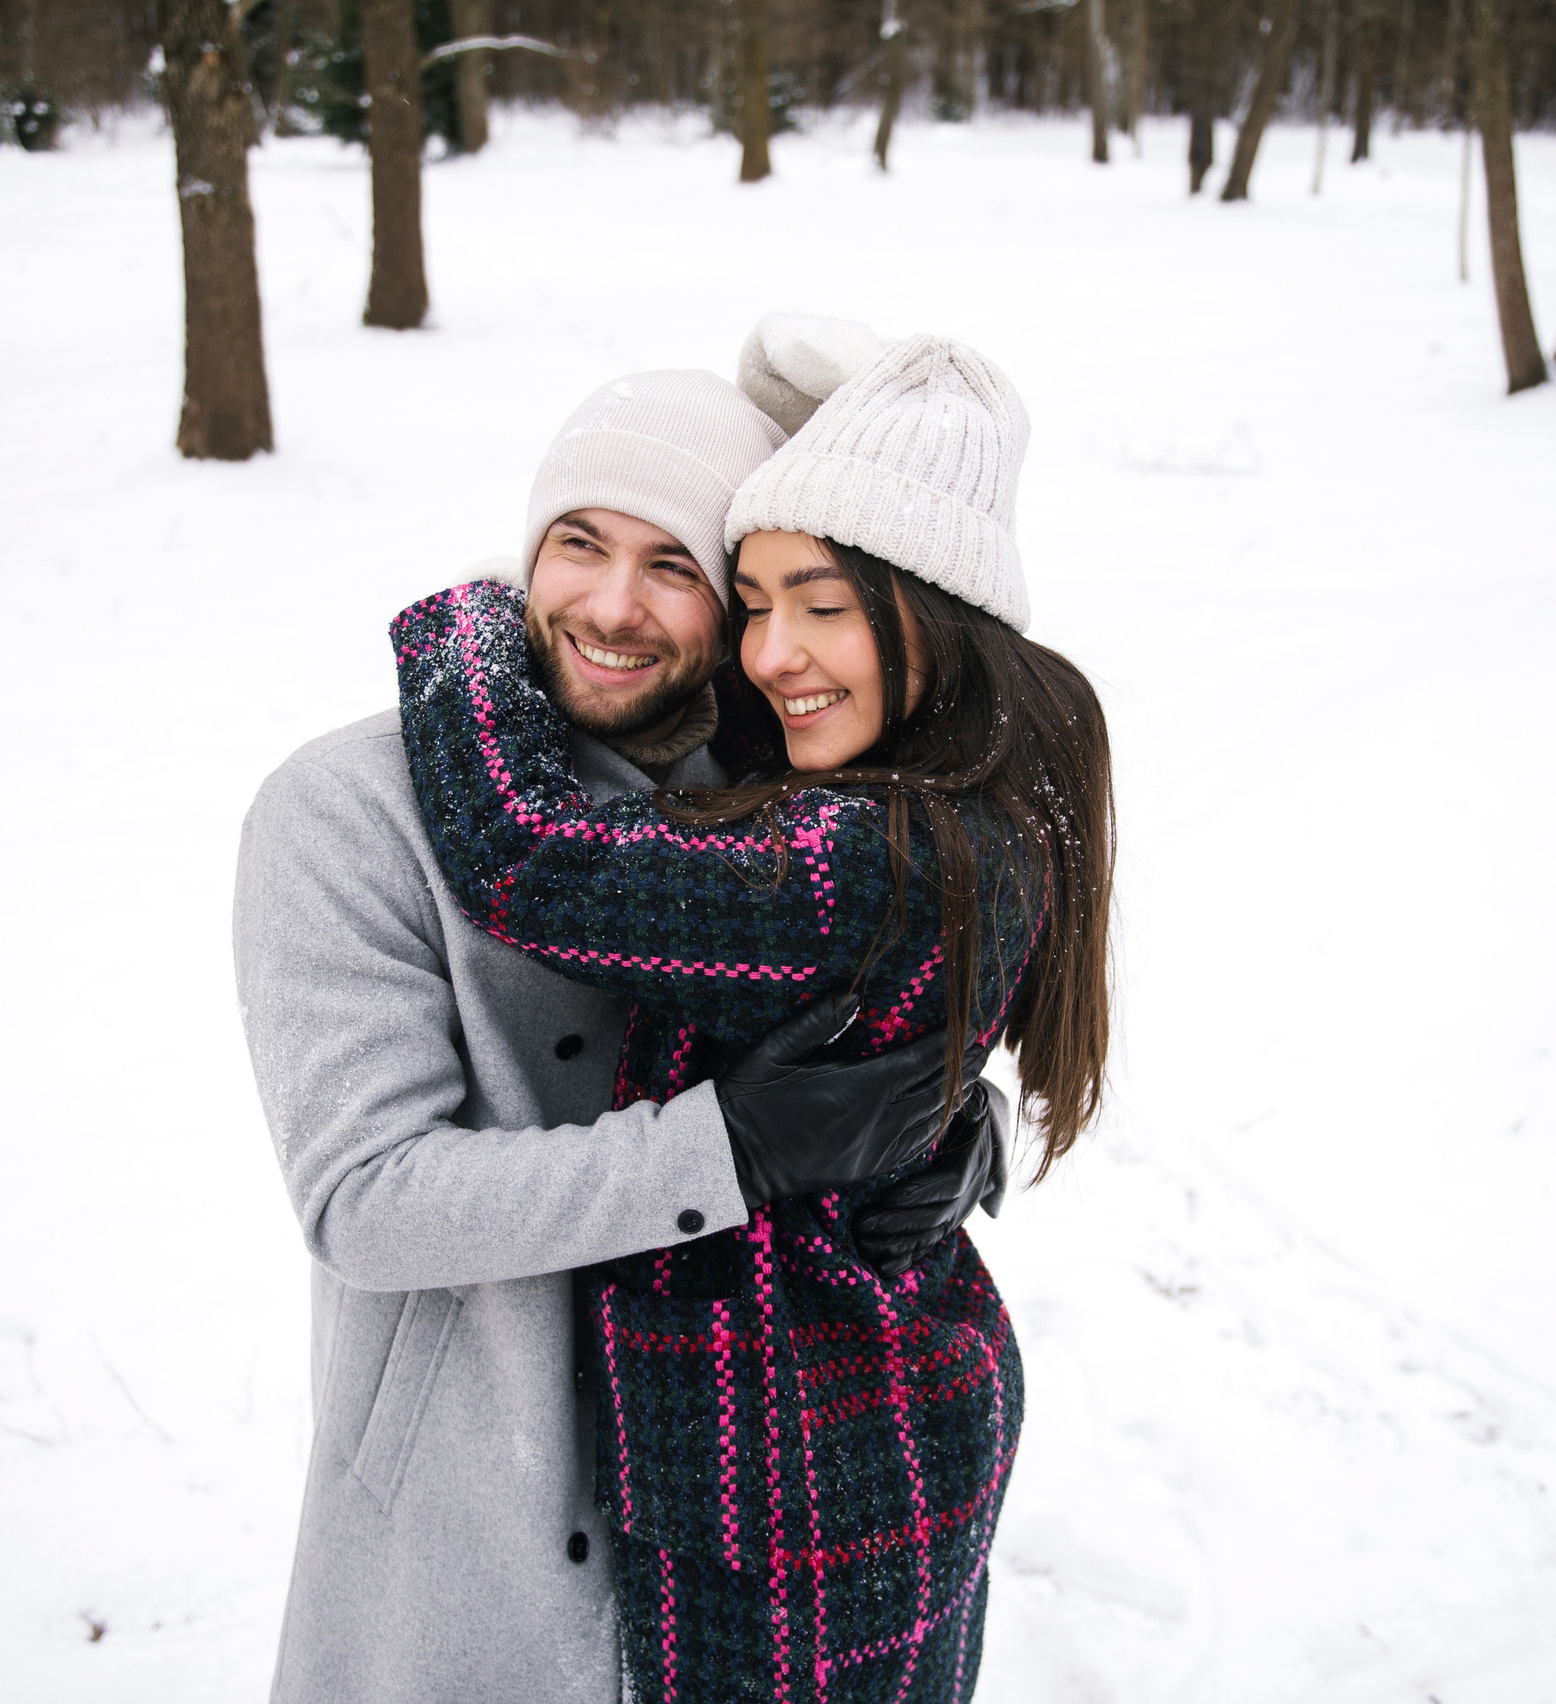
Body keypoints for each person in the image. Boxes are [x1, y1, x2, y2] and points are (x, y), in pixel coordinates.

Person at [231, 365, 1006, 1704]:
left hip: (743, 1536)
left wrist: (935, 1115)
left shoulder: (763, 802)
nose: (610, 606)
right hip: (475, 1523)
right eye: (578, 543)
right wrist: (735, 1150)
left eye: (674, 567)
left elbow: (895, 961)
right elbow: (367, 1200)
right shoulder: (349, 813)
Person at [388, 328, 1115, 1700]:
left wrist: (478, 614)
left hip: (806, 1486)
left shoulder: (869, 859)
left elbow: (531, 855)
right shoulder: (975, 798)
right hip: (869, 1430)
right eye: (754, 599)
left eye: (824, 603)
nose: (774, 655)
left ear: (933, 610)